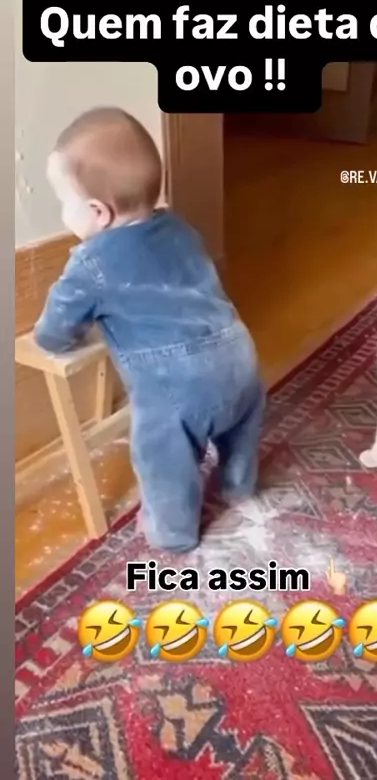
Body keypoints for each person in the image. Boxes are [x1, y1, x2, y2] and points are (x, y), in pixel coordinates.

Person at [34, 107, 265, 553]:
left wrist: (53, 338)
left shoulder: (90, 263)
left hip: (178, 389)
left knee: (163, 463)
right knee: (240, 434)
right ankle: (238, 485)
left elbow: (55, 330)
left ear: (98, 212)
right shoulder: (179, 228)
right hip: (241, 360)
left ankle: (173, 534)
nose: (63, 214)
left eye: (64, 203)